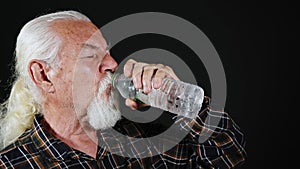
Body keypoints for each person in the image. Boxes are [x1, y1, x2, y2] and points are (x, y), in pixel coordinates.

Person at [0, 10, 246, 168]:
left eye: (107, 53)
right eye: (90, 56)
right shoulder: (12, 164)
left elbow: (227, 156)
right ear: (44, 75)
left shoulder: (141, 140)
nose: (113, 64)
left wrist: (179, 95)